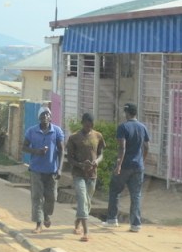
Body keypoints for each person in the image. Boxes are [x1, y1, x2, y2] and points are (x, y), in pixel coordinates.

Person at [105, 103, 151, 232]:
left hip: (125, 165)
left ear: (127, 113)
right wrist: (142, 160)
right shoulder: (143, 127)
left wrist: (118, 165)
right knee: (136, 195)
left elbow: (122, 147)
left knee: (115, 190)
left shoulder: (123, 127)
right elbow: (147, 147)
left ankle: (112, 219)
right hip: (138, 166)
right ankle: (135, 224)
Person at [22, 107, 64, 233]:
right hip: (36, 170)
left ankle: (46, 215)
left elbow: (61, 150)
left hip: (51, 170)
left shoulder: (57, 131)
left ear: (50, 117)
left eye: (47, 115)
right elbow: (24, 147)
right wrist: (36, 151)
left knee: (52, 197)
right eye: (42, 115)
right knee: (37, 197)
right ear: (39, 118)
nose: (45, 117)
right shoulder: (32, 131)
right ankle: (38, 224)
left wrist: (60, 169)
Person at [65, 112, 105, 242]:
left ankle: (77, 223)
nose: (89, 128)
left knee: (87, 201)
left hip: (92, 175)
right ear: (82, 123)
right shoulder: (74, 138)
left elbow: (101, 154)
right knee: (82, 199)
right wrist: (80, 165)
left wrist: (96, 162)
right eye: (87, 125)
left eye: (91, 126)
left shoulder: (98, 136)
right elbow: (69, 158)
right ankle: (86, 231)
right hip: (78, 174)